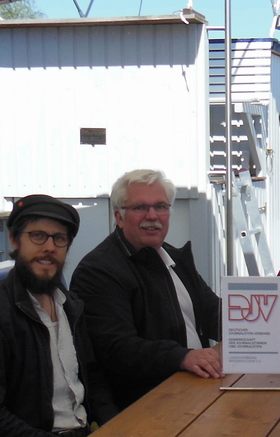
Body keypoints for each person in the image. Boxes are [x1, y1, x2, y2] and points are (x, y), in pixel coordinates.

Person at [0, 195, 118, 437]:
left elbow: (93, 375)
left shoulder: (70, 305)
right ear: (15, 241)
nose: (49, 248)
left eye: (59, 239)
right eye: (38, 236)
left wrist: (112, 429)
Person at [70, 169, 222, 409]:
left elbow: (214, 312)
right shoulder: (98, 271)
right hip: (147, 404)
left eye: (161, 206)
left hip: (195, 387)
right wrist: (182, 356)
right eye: (140, 207)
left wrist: (263, 328)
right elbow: (116, 348)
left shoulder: (174, 258)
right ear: (119, 217)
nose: (152, 215)